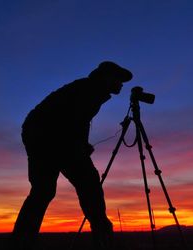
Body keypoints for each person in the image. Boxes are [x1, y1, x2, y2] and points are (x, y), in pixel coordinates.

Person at [12, 61, 133, 250]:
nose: (121, 84)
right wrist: (79, 147)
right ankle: (103, 235)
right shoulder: (90, 90)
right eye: (118, 79)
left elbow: (74, 119)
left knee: (43, 191)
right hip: (47, 137)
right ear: (106, 77)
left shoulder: (89, 89)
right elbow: (73, 119)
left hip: (40, 135)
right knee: (87, 183)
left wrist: (81, 145)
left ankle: (22, 241)